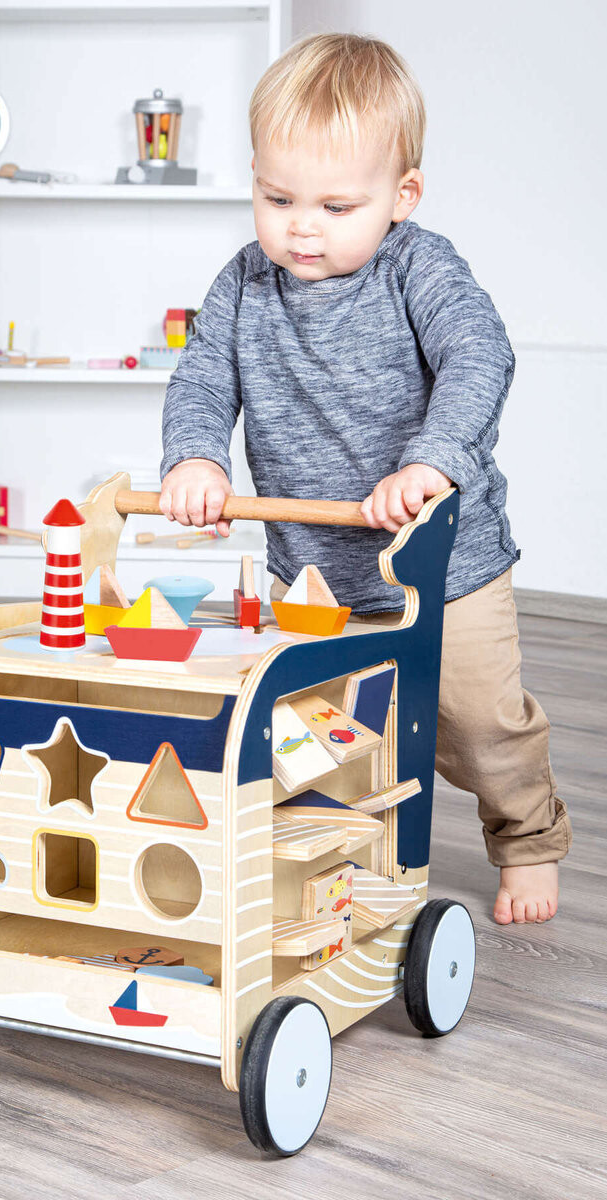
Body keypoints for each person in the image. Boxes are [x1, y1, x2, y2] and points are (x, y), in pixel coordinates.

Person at [159, 33, 571, 923]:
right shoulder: (243, 284)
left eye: (336, 206)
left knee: (476, 722)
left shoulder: (417, 267)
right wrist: (195, 457)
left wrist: (429, 460)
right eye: (277, 199)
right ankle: (334, 850)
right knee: (314, 728)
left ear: (400, 197)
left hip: (442, 568)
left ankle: (526, 837)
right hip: (311, 569)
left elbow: (478, 356)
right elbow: (201, 380)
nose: (301, 226)